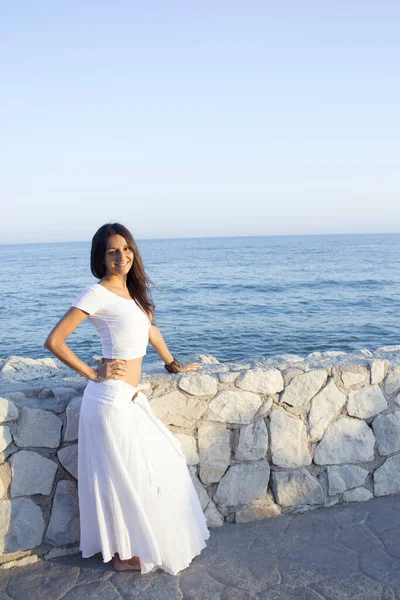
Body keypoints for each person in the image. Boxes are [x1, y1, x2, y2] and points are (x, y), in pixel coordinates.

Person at [44, 222, 210, 575]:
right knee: (123, 478)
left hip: (130, 399)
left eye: (126, 249)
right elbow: (55, 340)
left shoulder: (133, 294)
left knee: (160, 463)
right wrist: (93, 373)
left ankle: (133, 545)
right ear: (101, 258)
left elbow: (149, 329)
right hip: (108, 399)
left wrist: (172, 364)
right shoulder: (97, 293)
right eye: (112, 251)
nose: (122, 257)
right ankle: (123, 554)